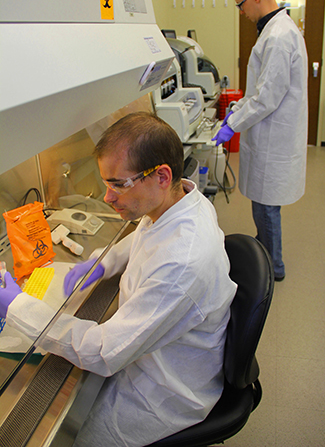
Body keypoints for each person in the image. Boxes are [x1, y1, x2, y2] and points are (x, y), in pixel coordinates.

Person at [0, 112, 237, 447]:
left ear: (161, 175)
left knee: (73, 437)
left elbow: (105, 352)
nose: (108, 198)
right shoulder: (180, 200)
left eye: (117, 184)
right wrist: (102, 262)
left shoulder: (182, 263)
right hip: (153, 356)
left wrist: (19, 308)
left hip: (163, 391)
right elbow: (148, 234)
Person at [213, 0, 308, 281]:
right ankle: (265, 249)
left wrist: (233, 124)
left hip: (274, 139)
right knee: (263, 205)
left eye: (241, 5)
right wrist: (236, 110)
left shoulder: (280, 37)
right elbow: (260, 90)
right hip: (268, 133)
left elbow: (267, 98)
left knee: (266, 208)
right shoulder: (274, 30)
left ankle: (273, 267)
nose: (241, 13)